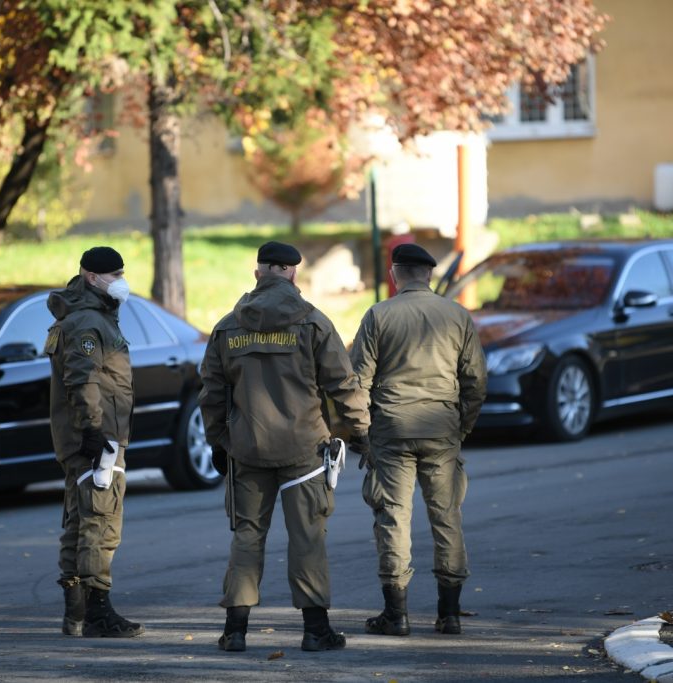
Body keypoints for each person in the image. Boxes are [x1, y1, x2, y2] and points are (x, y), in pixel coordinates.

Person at [199, 241, 371, 653]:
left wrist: (219, 442)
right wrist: (360, 433)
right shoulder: (313, 323)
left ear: (258, 273)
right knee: (307, 537)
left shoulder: (227, 327)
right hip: (304, 453)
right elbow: (342, 385)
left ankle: (235, 631)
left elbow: (212, 392)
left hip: (247, 449)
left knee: (247, 535)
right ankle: (315, 631)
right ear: (293, 274)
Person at [350, 242, 487, 636]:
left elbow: (358, 381)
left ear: (395, 275)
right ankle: (450, 614)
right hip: (441, 427)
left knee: (393, 516)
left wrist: (361, 432)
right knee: (447, 517)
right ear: (428, 274)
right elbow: (475, 381)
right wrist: (461, 427)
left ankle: (397, 614)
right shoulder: (457, 315)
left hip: (391, 429)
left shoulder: (378, 315)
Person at [45, 246, 144, 638]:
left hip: (87, 437)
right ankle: (98, 612)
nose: (120, 281)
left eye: (122, 273)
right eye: (113, 275)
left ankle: (76, 613)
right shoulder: (88, 323)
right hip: (97, 439)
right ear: (91, 277)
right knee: (101, 522)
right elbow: (82, 378)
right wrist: (93, 429)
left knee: (78, 521)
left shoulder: (85, 316)